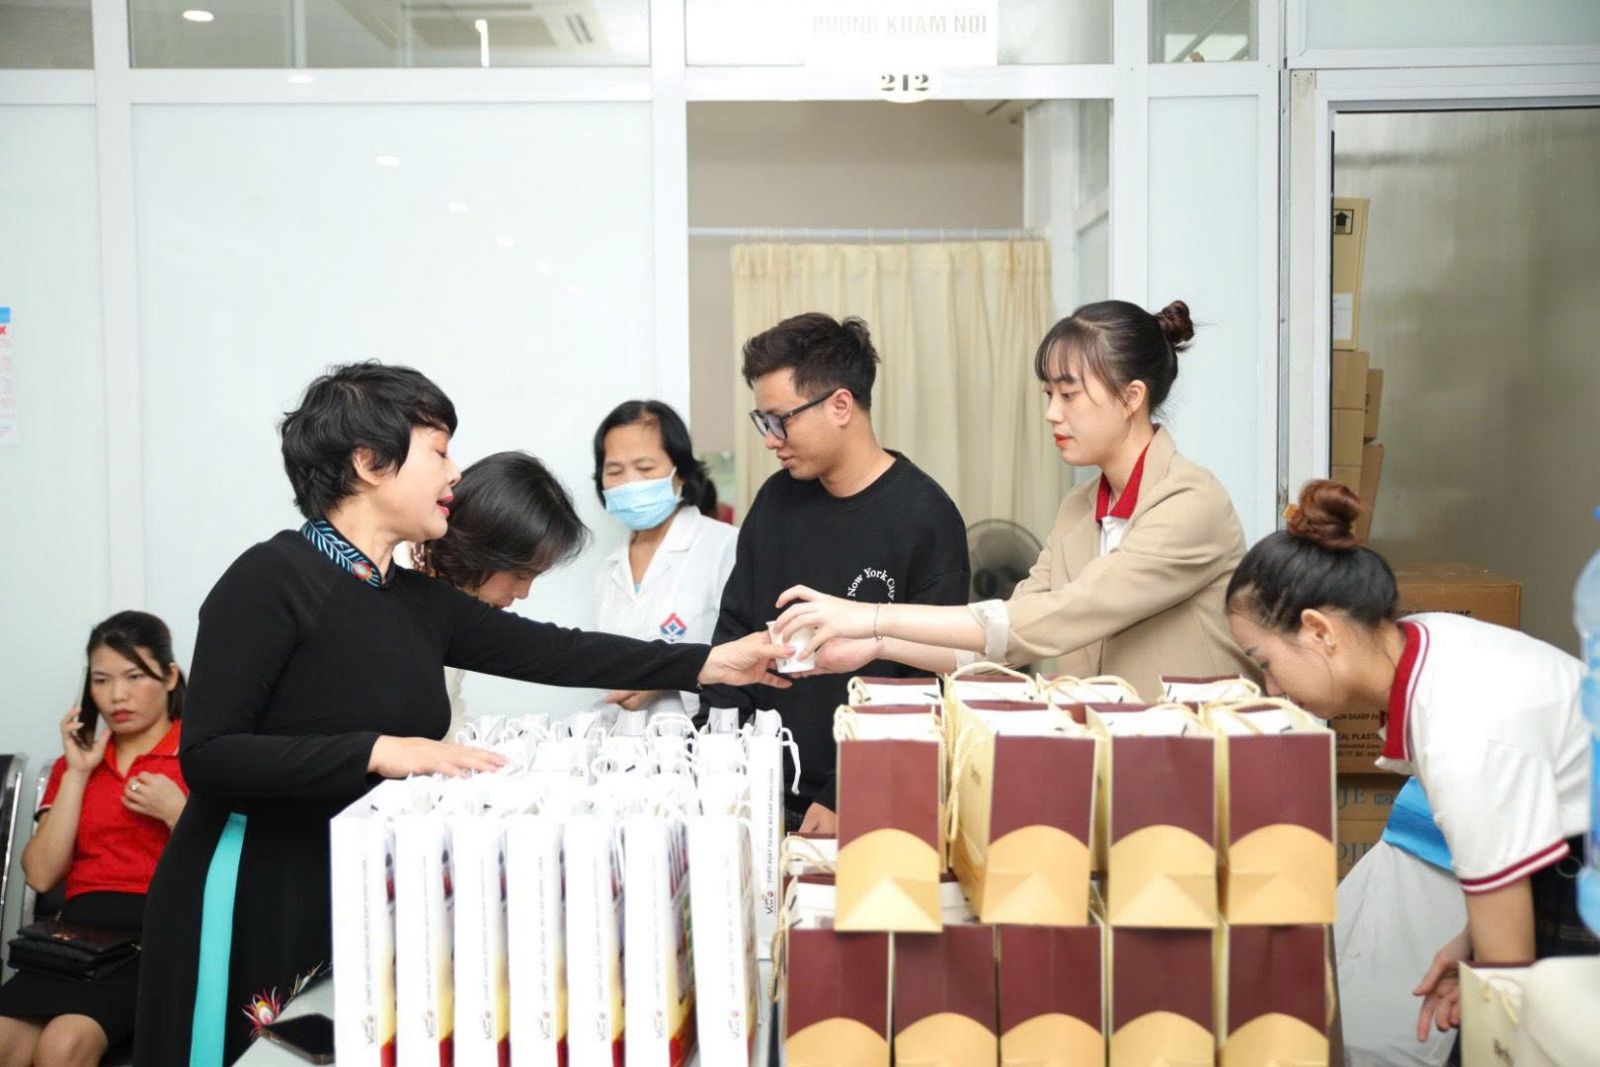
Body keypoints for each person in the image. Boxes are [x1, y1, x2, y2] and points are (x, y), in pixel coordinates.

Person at [132, 362, 789, 1066]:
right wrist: (379, 750)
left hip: (352, 880)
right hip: (251, 887)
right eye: (439, 451)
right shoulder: (269, 580)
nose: (455, 474)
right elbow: (210, 755)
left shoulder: (411, 599)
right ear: (369, 463)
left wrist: (712, 662)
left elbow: (557, 651)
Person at [1224, 479, 1595, 1047]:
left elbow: (1510, 978)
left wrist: (1494, 973)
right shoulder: (1427, 642)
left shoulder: (1456, 728)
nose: (1271, 687)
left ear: (1319, 631)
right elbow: (1515, 844)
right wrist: (1474, 940)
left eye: (1266, 662)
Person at [775, 299, 1256, 699]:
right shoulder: (1079, 507)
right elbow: (1004, 639)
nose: (1052, 413)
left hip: (1197, 764)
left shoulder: (1190, 502)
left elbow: (1055, 616)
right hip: (1109, 760)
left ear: (1131, 397)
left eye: (1069, 395)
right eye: (1048, 394)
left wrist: (869, 616)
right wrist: (878, 644)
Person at [705, 313, 971, 835]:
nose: (771, 439)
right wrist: (717, 755)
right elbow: (736, 632)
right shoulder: (776, 500)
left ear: (841, 405)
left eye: (780, 419)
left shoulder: (925, 517)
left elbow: (926, 682)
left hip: (868, 797)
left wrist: (847, 790)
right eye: (763, 422)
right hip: (756, 790)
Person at [0, 612, 189, 1067]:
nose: (117, 695)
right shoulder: (79, 763)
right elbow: (41, 875)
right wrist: (78, 774)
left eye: (134, 676)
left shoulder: (197, 755)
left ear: (169, 677)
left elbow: (234, 870)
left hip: (157, 939)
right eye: (101, 680)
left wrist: (178, 814)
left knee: (62, 1044)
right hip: (75, 944)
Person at [411, 450, 590, 737]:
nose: (523, 593)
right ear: (483, 547)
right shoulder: (395, 586)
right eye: (520, 575)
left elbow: (447, 711)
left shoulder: (457, 600)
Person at [592, 399, 738, 722]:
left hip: (703, 735)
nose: (629, 483)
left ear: (680, 473)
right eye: (614, 471)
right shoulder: (609, 568)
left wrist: (667, 677)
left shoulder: (724, 547)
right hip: (621, 738)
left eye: (645, 468)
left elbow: (743, 654)